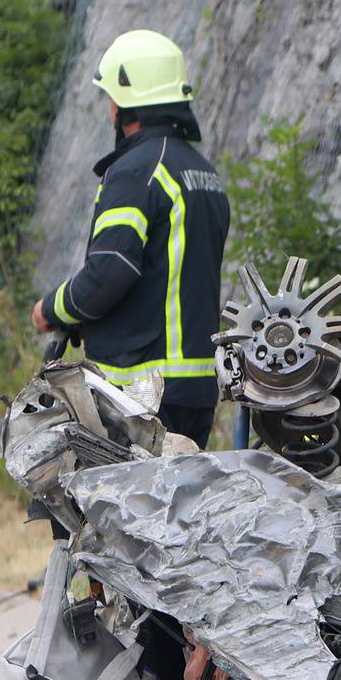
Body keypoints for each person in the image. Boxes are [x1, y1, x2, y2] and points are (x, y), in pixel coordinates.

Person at [30, 29, 231, 448]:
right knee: (175, 510)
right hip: (194, 389)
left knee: (105, 509)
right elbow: (163, 274)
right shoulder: (200, 171)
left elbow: (110, 271)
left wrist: (53, 309)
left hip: (143, 392)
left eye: (110, 98)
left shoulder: (137, 170)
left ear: (124, 103)